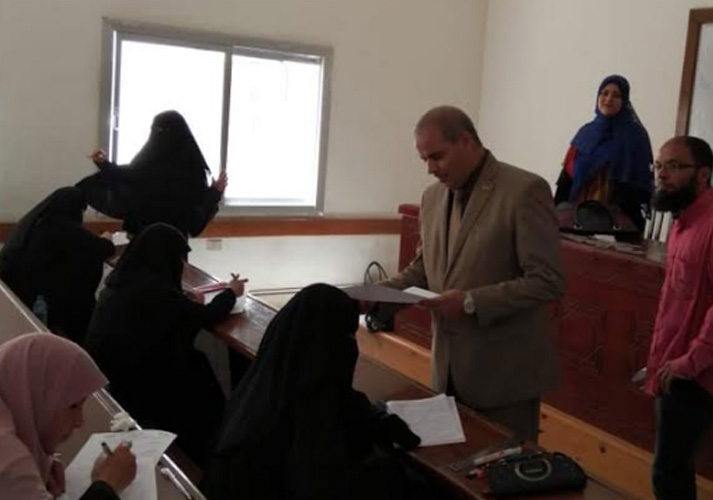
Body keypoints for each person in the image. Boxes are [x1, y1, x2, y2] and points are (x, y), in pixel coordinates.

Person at [376, 105, 565, 440]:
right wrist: (379, 295)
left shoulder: (524, 190)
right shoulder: (432, 197)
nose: (431, 169)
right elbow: (424, 268)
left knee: (499, 468)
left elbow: (547, 281)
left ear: (466, 141)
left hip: (504, 378)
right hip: (446, 370)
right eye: (425, 160)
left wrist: (470, 302)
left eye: (437, 157)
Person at [202, 284, 428, 500]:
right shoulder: (306, 416)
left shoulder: (276, 377)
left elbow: (340, 399)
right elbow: (329, 483)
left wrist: (377, 419)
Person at [84, 223, 247, 465]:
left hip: (113, 374)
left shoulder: (123, 281)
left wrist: (184, 300)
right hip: (139, 382)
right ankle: (213, 450)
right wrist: (231, 292)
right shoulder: (156, 291)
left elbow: (172, 310)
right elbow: (206, 315)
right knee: (201, 377)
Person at [646, 136, 713, 500]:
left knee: (669, 474)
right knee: (668, 469)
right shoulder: (682, 220)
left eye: (674, 166)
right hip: (674, 361)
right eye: (659, 166)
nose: (662, 175)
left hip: (699, 369)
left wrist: (690, 361)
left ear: (703, 174)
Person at [0, 333, 136, 500]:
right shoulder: (7, 462)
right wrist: (107, 484)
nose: (79, 422)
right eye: (73, 406)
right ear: (33, 396)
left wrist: (38, 464)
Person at [76, 110, 227, 237]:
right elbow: (196, 221)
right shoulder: (193, 171)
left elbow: (124, 177)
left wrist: (104, 164)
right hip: (174, 246)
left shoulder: (146, 164)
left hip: (139, 242)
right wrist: (214, 193)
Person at [0, 187, 115, 343]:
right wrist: (106, 238)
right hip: (37, 304)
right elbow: (105, 248)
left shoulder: (32, 224)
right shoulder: (62, 228)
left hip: (16, 298)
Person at [554, 75, 653, 231]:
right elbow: (566, 177)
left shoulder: (636, 136)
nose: (608, 99)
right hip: (578, 217)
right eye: (604, 93)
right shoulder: (585, 133)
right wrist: (554, 213)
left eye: (616, 95)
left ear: (624, 101)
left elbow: (640, 183)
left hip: (617, 221)